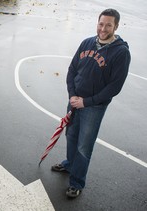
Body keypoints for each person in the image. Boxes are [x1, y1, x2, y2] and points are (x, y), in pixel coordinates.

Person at [51, 8, 131, 198]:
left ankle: (77, 182)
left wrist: (86, 102)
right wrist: (72, 96)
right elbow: (72, 70)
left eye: (108, 25)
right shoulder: (86, 43)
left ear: (116, 26)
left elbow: (114, 87)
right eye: (101, 24)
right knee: (71, 137)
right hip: (74, 102)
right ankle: (70, 165)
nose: (103, 28)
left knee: (83, 146)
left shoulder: (121, 53)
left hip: (93, 107)